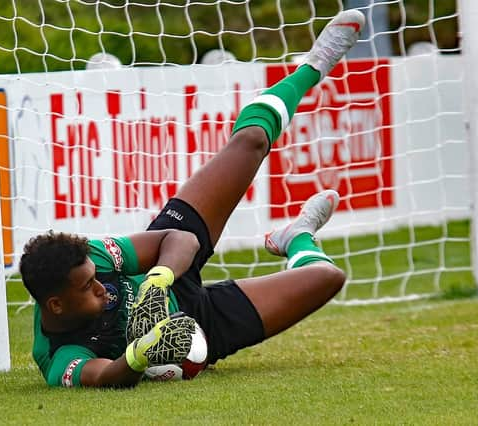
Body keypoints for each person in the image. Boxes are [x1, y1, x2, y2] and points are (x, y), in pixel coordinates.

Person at [19, 9, 365, 388]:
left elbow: (179, 239)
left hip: (168, 271)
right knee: (328, 278)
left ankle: (311, 67)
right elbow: (105, 377)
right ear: (56, 305)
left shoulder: (93, 257)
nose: (101, 285)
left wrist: (155, 282)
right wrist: (143, 351)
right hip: (200, 324)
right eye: (88, 287)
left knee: (250, 143)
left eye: (94, 279)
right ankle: (298, 237)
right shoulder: (58, 355)